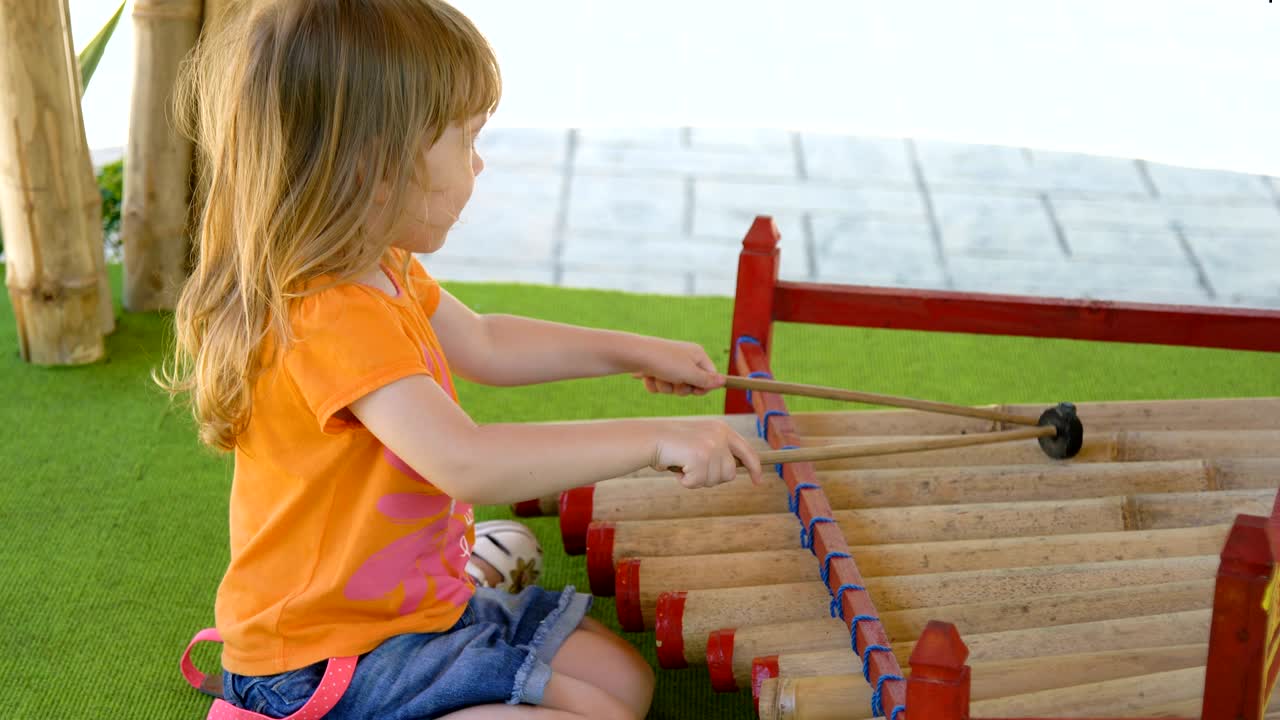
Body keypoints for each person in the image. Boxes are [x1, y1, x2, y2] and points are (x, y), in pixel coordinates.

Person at [159, 1, 764, 718]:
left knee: (623, 685)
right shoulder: (326, 313)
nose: (479, 161)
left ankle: (472, 589)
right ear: (375, 161)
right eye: (467, 138)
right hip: (329, 660)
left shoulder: (376, 264)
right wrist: (654, 441)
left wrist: (631, 350)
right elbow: (466, 460)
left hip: (417, 609)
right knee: (601, 712)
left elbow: (484, 342)